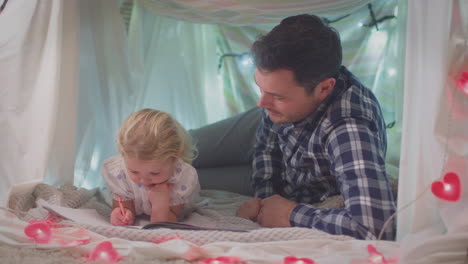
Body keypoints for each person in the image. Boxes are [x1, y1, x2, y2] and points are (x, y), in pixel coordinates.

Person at [235, 14, 396, 240]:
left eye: (276, 95)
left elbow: (377, 228)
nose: (261, 102)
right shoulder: (275, 100)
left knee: (192, 174)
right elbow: (266, 145)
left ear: (324, 89)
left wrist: (292, 214)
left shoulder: (348, 129)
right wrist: (264, 200)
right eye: (259, 88)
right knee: (189, 150)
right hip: (281, 152)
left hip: (298, 179)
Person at [102, 108, 200, 226]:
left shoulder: (182, 178)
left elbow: (164, 224)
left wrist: (160, 205)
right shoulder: (120, 173)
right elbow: (124, 207)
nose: (143, 180)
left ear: (174, 158)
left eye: (154, 173)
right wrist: (120, 215)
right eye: (134, 171)